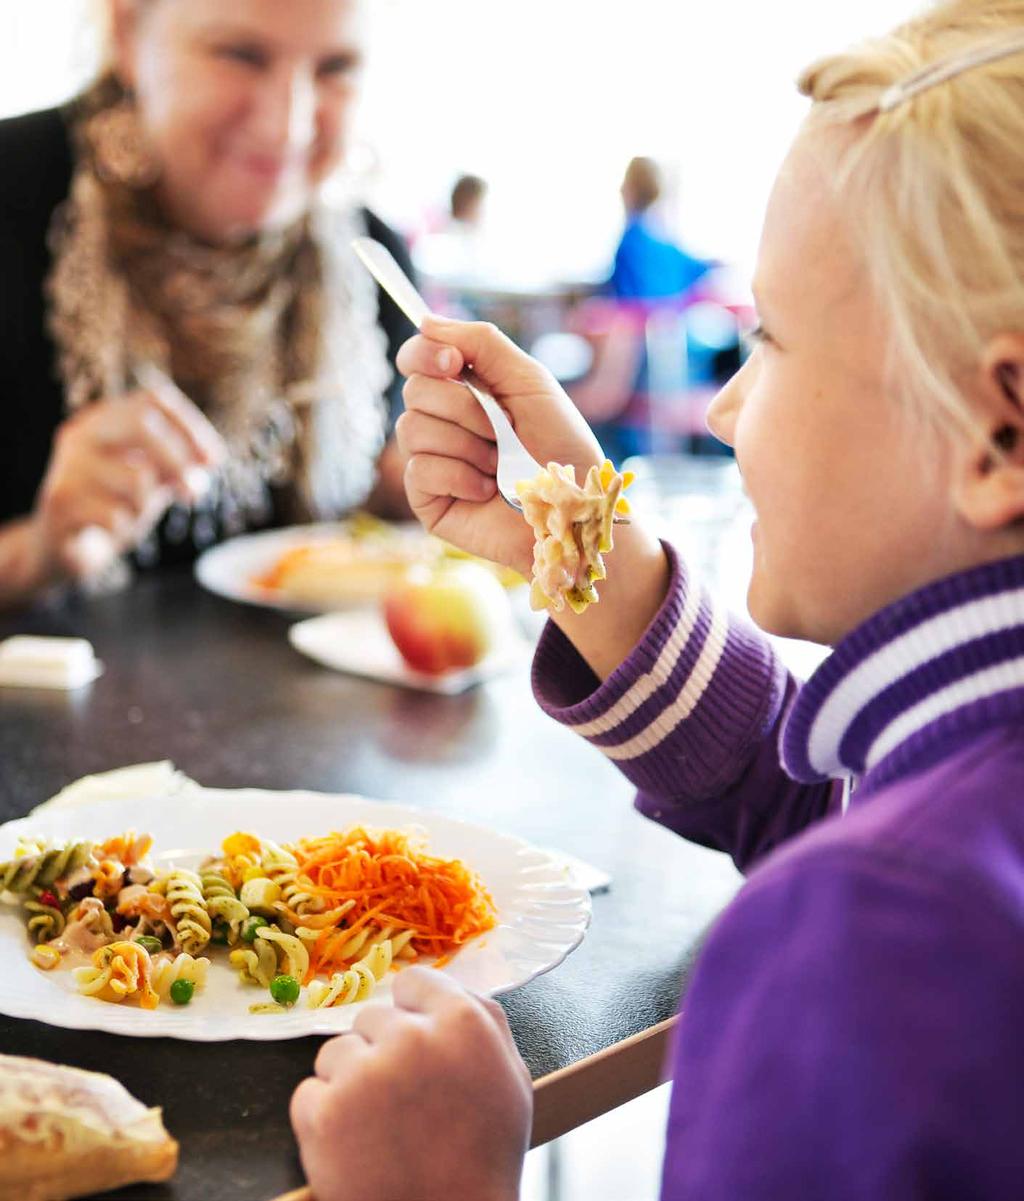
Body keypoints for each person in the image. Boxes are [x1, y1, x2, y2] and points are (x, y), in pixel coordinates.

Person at [289, 2, 1024, 1198]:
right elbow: (823, 804)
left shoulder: (869, 934)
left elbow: (854, 862)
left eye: (768, 343)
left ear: (998, 433)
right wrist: (587, 546)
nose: (726, 408)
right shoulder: (938, 824)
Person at [0, 0, 416, 609]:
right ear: (127, 32)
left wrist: (415, 495)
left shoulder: (372, 265)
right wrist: (36, 549)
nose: (288, 126)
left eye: (335, 67)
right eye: (241, 55)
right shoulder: (14, 194)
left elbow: (377, 515)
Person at [608, 156, 710, 302]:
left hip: (641, 320)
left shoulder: (631, 243)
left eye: (625, 183)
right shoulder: (666, 241)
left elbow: (627, 300)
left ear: (632, 190)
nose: (621, 189)